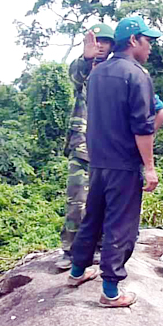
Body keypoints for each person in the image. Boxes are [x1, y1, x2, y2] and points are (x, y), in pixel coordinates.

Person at [66, 16, 163, 308]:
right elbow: (143, 127)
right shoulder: (137, 75)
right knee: (121, 226)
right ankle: (110, 292)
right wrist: (149, 167)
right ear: (133, 41)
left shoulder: (97, 73)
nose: (150, 48)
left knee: (93, 218)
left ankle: (76, 272)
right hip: (123, 164)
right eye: (147, 41)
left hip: (97, 162)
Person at [57, 24, 115, 270]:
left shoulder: (117, 69)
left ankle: (101, 247)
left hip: (109, 150)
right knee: (76, 201)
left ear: (113, 45)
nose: (100, 44)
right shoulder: (82, 69)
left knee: (106, 202)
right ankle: (71, 251)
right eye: (95, 40)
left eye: (105, 41)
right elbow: (76, 76)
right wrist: (86, 58)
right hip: (82, 147)